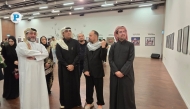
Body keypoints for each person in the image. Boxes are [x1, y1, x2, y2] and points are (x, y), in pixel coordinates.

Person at [16, 28, 50, 109]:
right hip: (27, 73)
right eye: (31, 33)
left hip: (39, 74)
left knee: (40, 90)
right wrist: (39, 54)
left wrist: (35, 57)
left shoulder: (40, 45)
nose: (33, 35)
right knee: (28, 92)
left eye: (34, 34)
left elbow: (45, 54)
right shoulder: (21, 45)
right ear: (26, 34)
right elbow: (25, 52)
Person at [109, 26, 136, 109]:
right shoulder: (113, 46)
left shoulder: (130, 45)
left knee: (127, 95)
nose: (123, 33)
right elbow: (110, 59)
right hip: (115, 75)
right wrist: (116, 71)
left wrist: (123, 72)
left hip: (127, 75)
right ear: (117, 34)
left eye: (124, 31)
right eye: (120, 32)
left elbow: (130, 60)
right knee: (115, 93)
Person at [56, 27, 81, 109]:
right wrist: (67, 65)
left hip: (75, 68)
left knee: (75, 84)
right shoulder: (59, 43)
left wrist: (73, 65)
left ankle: (76, 102)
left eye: (70, 31)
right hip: (64, 69)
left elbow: (79, 54)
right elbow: (59, 57)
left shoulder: (76, 42)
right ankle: (64, 102)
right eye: (66, 31)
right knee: (64, 85)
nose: (68, 32)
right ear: (63, 33)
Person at [83, 30, 107, 109]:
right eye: (89, 35)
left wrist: (103, 48)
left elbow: (103, 58)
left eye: (90, 35)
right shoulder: (87, 46)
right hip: (88, 71)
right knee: (89, 89)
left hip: (98, 71)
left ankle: (100, 104)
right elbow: (85, 58)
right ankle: (89, 102)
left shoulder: (101, 45)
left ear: (96, 36)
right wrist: (85, 69)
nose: (89, 37)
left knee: (99, 89)